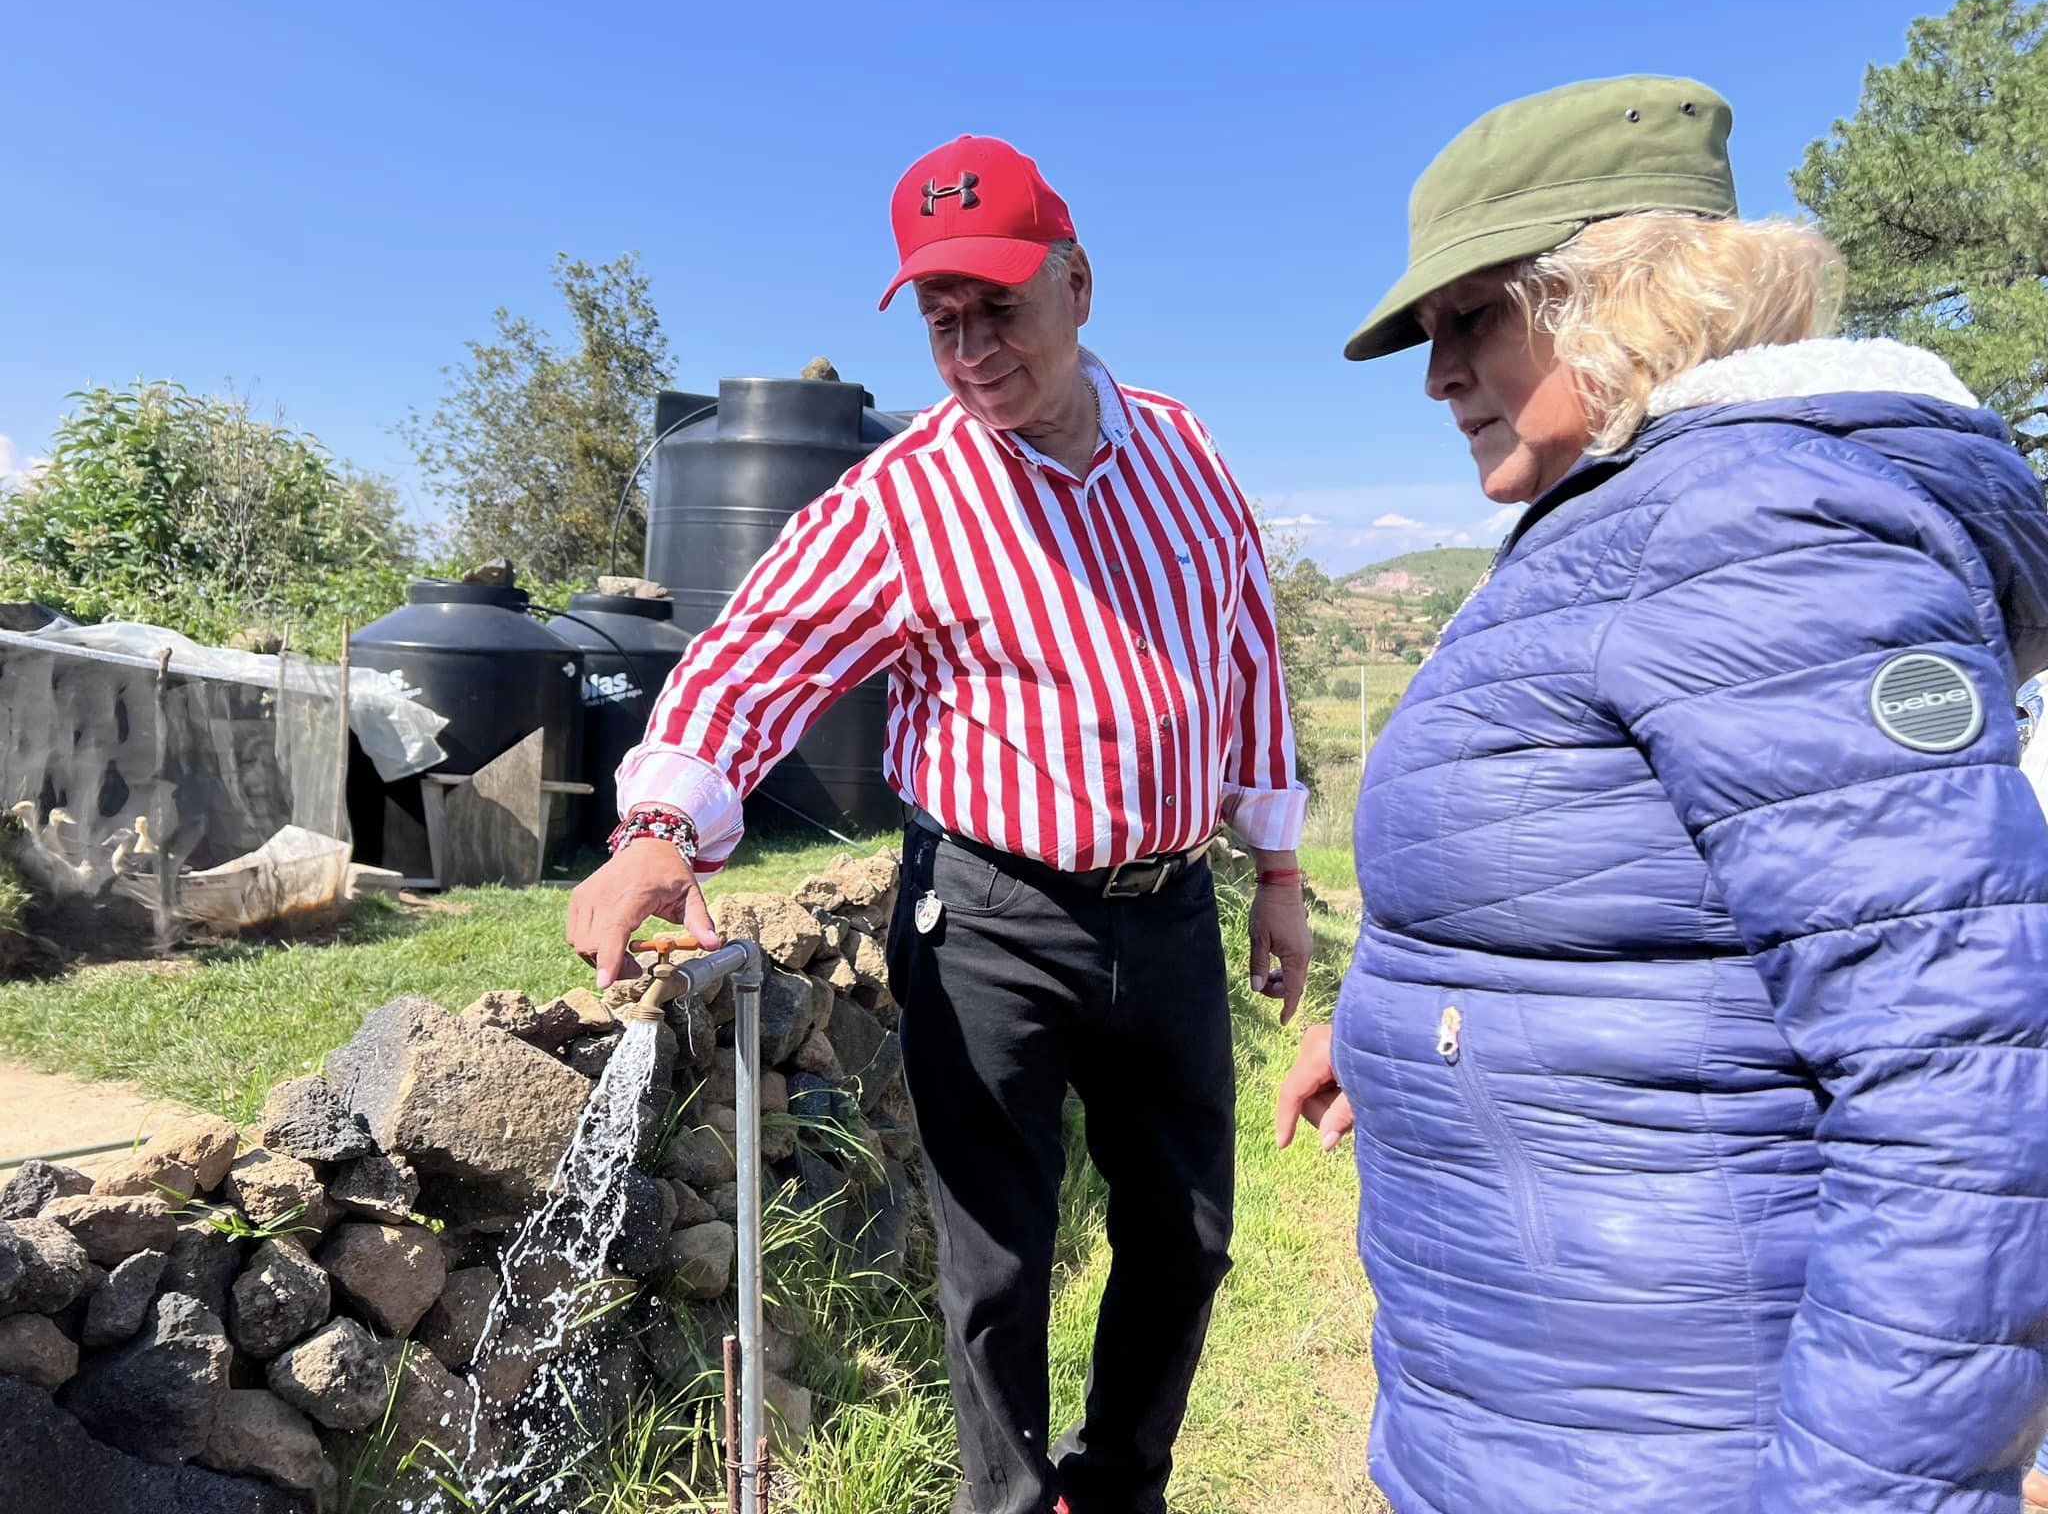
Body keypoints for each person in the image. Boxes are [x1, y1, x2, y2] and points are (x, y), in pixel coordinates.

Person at [1276, 76, 2048, 1512]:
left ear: (1621, 294)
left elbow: (1961, 1100)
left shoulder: (1761, 539)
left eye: (1472, 318)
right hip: (1563, 1412)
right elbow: (1625, 875)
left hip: (1679, 1444)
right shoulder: (1650, 526)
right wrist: (1391, 1018)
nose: (1436, 374)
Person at [568, 133, 1311, 1514]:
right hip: (990, 917)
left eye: (999, 308)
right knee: (1000, 1260)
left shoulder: (1185, 446)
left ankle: (1121, 1482)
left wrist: (1275, 864)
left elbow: (1246, 650)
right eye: (941, 319)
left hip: (1166, 911)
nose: (969, 349)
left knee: (1188, 1234)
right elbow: (755, 653)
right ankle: (1008, 1503)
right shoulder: (908, 495)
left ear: (1076, 282)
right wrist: (661, 826)